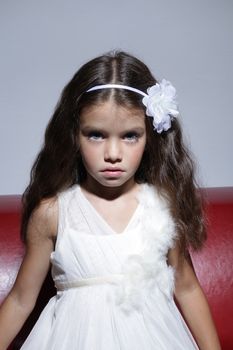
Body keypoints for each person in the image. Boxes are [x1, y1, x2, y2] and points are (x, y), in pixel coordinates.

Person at [0, 51, 221, 350]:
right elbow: (20, 300)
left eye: (130, 135)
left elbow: (186, 286)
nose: (113, 153)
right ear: (73, 136)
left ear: (151, 137)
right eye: (96, 135)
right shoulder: (53, 213)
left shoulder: (162, 208)